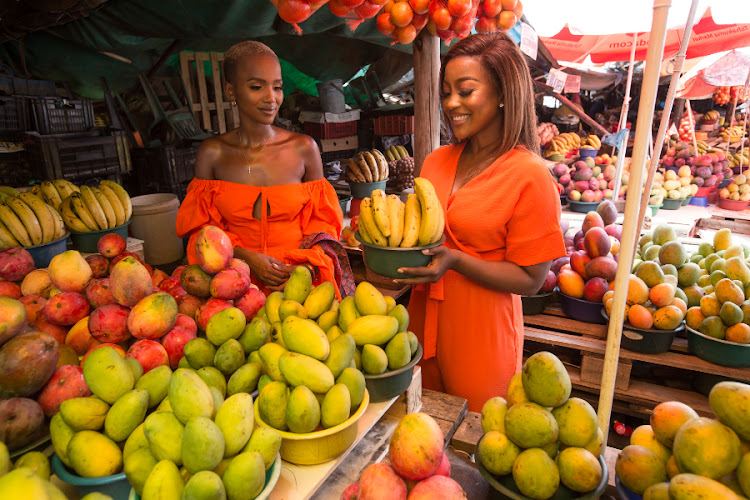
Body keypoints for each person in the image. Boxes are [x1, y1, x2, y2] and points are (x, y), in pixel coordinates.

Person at [396, 32, 566, 412]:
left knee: (475, 442)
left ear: (503, 93)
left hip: (482, 335)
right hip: (421, 324)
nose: (451, 103)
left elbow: (531, 280)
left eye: (466, 91)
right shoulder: (436, 161)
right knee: (419, 435)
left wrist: (456, 261)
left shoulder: (530, 176)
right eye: (446, 92)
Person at [176, 41, 354, 298]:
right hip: (233, 286)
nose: (271, 98)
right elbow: (201, 235)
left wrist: (305, 267)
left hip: (298, 286)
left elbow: (324, 228)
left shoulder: (304, 148)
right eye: (256, 87)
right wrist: (245, 256)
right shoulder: (211, 153)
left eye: (277, 87)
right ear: (231, 90)